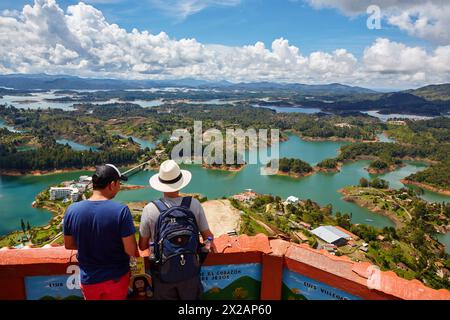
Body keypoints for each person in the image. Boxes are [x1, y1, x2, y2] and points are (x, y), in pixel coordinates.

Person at [139, 159, 214, 300]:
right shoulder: (194, 204)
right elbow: (208, 237)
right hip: (190, 273)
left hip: (163, 276)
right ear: (181, 182)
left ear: (161, 185)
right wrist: (207, 247)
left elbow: (142, 246)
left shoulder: (150, 209)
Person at [63, 164, 139, 300]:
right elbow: (131, 250)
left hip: (89, 280)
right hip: (116, 278)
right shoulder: (121, 211)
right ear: (112, 184)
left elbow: (69, 244)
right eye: (119, 183)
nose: (119, 187)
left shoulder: (72, 210)